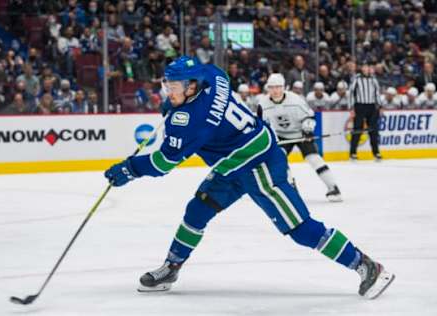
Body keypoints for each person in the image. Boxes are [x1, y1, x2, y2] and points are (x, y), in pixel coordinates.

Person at [104, 56, 394, 299]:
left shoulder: (193, 120)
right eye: (168, 84)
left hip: (261, 165)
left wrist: (130, 168)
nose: (169, 91)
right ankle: (171, 267)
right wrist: (177, 104)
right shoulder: (212, 76)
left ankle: (367, 266)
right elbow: (207, 78)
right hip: (231, 164)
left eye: (175, 86)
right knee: (196, 212)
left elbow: (163, 162)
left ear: (192, 86)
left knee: (301, 228)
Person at [257, 73, 342, 202]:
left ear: (284, 87)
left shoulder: (296, 100)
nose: (275, 90)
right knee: (280, 160)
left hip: (301, 133)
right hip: (281, 136)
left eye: (278, 87)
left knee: (314, 158)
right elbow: (260, 124)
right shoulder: (263, 104)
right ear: (268, 88)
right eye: (272, 87)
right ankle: (291, 190)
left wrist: (307, 130)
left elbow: (309, 117)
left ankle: (333, 188)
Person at [348, 62, 383, 161]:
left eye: (368, 67)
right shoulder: (357, 78)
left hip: (372, 107)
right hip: (360, 106)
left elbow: (377, 93)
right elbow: (351, 93)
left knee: (373, 130)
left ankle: (376, 152)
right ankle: (353, 153)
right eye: (365, 67)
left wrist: (380, 106)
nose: (367, 69)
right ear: (362, 68)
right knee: (357, 130)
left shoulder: (373, 79)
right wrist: (351, 108)